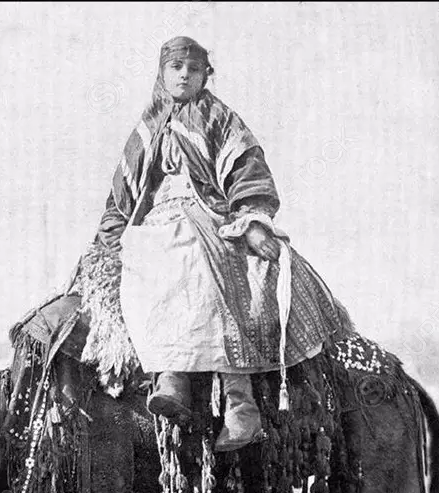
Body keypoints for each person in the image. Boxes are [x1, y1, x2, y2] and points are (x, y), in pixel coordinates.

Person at [76, 36, 352, 450]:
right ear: (162, 73)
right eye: (175, 67)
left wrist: (252, 219)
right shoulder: (147, 127)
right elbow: (124, 191)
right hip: (156, 221)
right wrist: (109, 239)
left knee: (209, 268)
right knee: (147, 269)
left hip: (210, 212)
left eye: (193, 68)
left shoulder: (221, 119)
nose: (184, 74)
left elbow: (246, 167)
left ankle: (242, 405)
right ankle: (171, 379)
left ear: (206, 74)